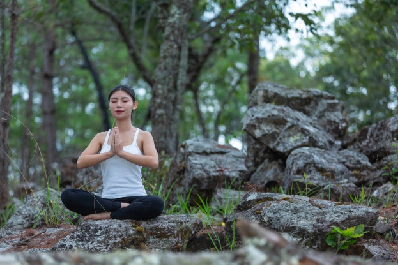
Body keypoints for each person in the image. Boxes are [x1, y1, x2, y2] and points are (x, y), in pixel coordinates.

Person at [61, 85, 164, 221]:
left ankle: (109, 215)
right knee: (68, 195)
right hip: (108, 200)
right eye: (114, 101)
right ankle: (121, 208)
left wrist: (122, 153)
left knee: (156, 203)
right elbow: (81, 162)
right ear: (109, 106)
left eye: (124, 101)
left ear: (134, 105)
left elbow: (153, 162)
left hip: (136, 198)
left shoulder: (143, 136)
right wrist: (109, 153)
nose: (119, 105)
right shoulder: (101, 137)